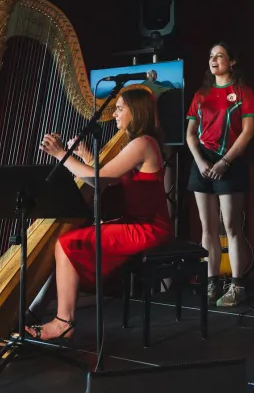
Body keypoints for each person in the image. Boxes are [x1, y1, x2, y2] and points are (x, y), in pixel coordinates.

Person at [26, 88, 173, 342]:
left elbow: (99, 179)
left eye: (120, 108)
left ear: (136, 112)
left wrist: (62, 154)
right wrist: (85, 156)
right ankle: (39, 311)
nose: (115, 114)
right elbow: (108, 180)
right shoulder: (139, 143)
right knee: (69, 241)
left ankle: (63, 322)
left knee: (66, 243)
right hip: (135, 224)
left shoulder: (142, 143)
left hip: (148, 228)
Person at [186, 42, 254, 307]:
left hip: (231, 161)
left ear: (232, 61)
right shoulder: (201, 94)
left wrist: (225, 161)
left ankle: (237, 285)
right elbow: (190, 134)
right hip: (202, 162)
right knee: (208, 228)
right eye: (211, 56)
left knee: (231, 227)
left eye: (220, 56)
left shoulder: (242, 92)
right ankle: (212, 281)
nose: (214, 60)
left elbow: (248, 132)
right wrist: (200, 160)